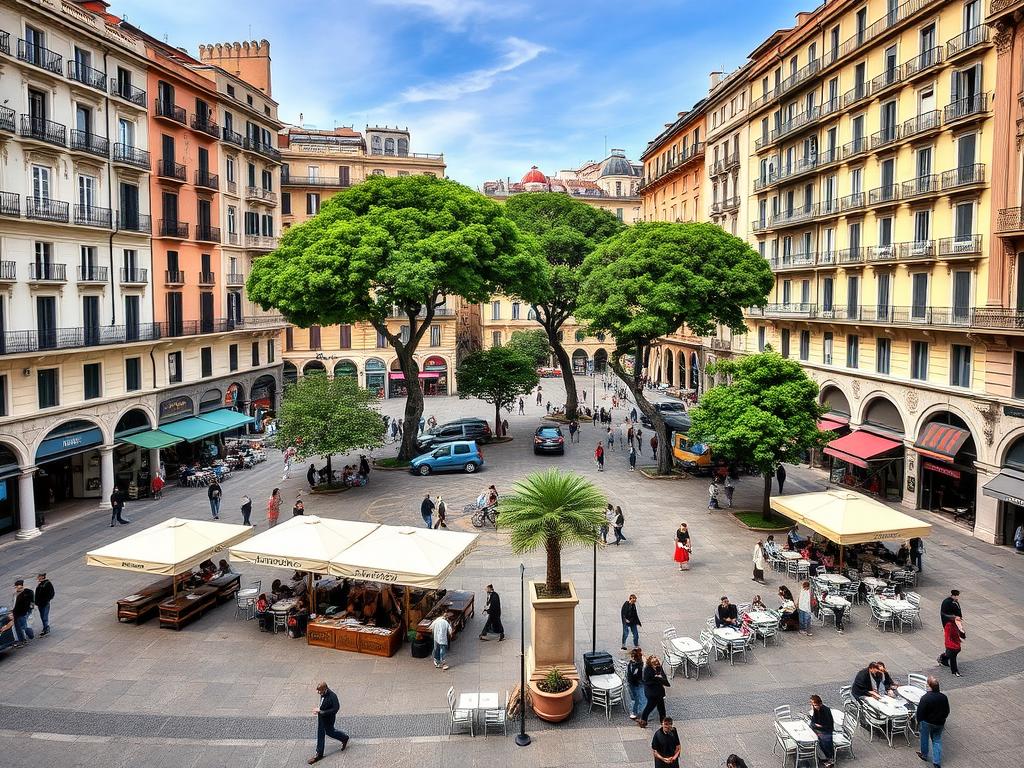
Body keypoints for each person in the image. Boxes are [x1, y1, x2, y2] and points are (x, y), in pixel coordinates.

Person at [308, 681, 348, 764]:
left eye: (320, 691)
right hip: (322, 717)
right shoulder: (323, 694)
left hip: (328, 718)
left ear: (325, 689)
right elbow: (323, 704)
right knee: (320, 733)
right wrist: (319, 711)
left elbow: (335, 709)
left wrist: (321, 711)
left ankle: (344, 738)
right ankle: (319, 754)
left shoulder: (333, 696)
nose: (318, 692)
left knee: (330, 732)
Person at [916, 676, 949, 768]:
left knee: (924, 738)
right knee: (937, 740)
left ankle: (924, 755)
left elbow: (920, 712)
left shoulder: (925, 698)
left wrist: (919, 721)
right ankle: (937, 762)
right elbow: (947, 711)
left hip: (927, 722)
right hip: (939, 723)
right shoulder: (943, 697)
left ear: (930, 687)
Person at [638, 656, 669, 728]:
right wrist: (656, 679)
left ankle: (662, 721)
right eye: (653, 662)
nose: (656, 663)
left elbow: (665, 680)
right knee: (650, 707)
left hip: (659, 692)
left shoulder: (659, 668)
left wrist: (660, 678)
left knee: (661, 707)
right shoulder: (647, 669)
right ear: (650, 663)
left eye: (657, 662)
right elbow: (646, 681)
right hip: (651, 693)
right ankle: (643, 721)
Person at [809, 694, 835, 768]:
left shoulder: (826, 711)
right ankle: (822, 757)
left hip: (826, 730)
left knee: (822, 741)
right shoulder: (815, 710)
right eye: (813, 705)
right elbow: (813, 722)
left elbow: (829, 726)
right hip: (819, 729)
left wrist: (818, 727)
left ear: (820, 704)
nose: (814, 707)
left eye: (815, 705)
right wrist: (816, 726)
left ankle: (827, 758)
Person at [12, 579, 34, 645]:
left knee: (24, 626)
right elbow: (14, 603)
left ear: (20, 586)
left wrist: (30, 609)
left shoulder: (28, 593)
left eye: (16, 586)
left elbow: (32, 602)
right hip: (15, 613)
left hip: (22, 613)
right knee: (17, 628)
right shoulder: (15, 594)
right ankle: (21, 640)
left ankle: (30, 634)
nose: (15, 588)